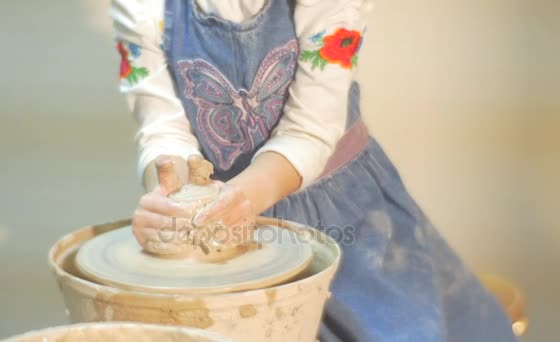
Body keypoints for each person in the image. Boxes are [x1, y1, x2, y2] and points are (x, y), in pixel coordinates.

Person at [110, 0, 517, 340]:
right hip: (221, 229)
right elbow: (162, 128)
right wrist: (173, 203)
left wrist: (241, 199)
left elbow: (310, 129)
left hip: (344, 216)